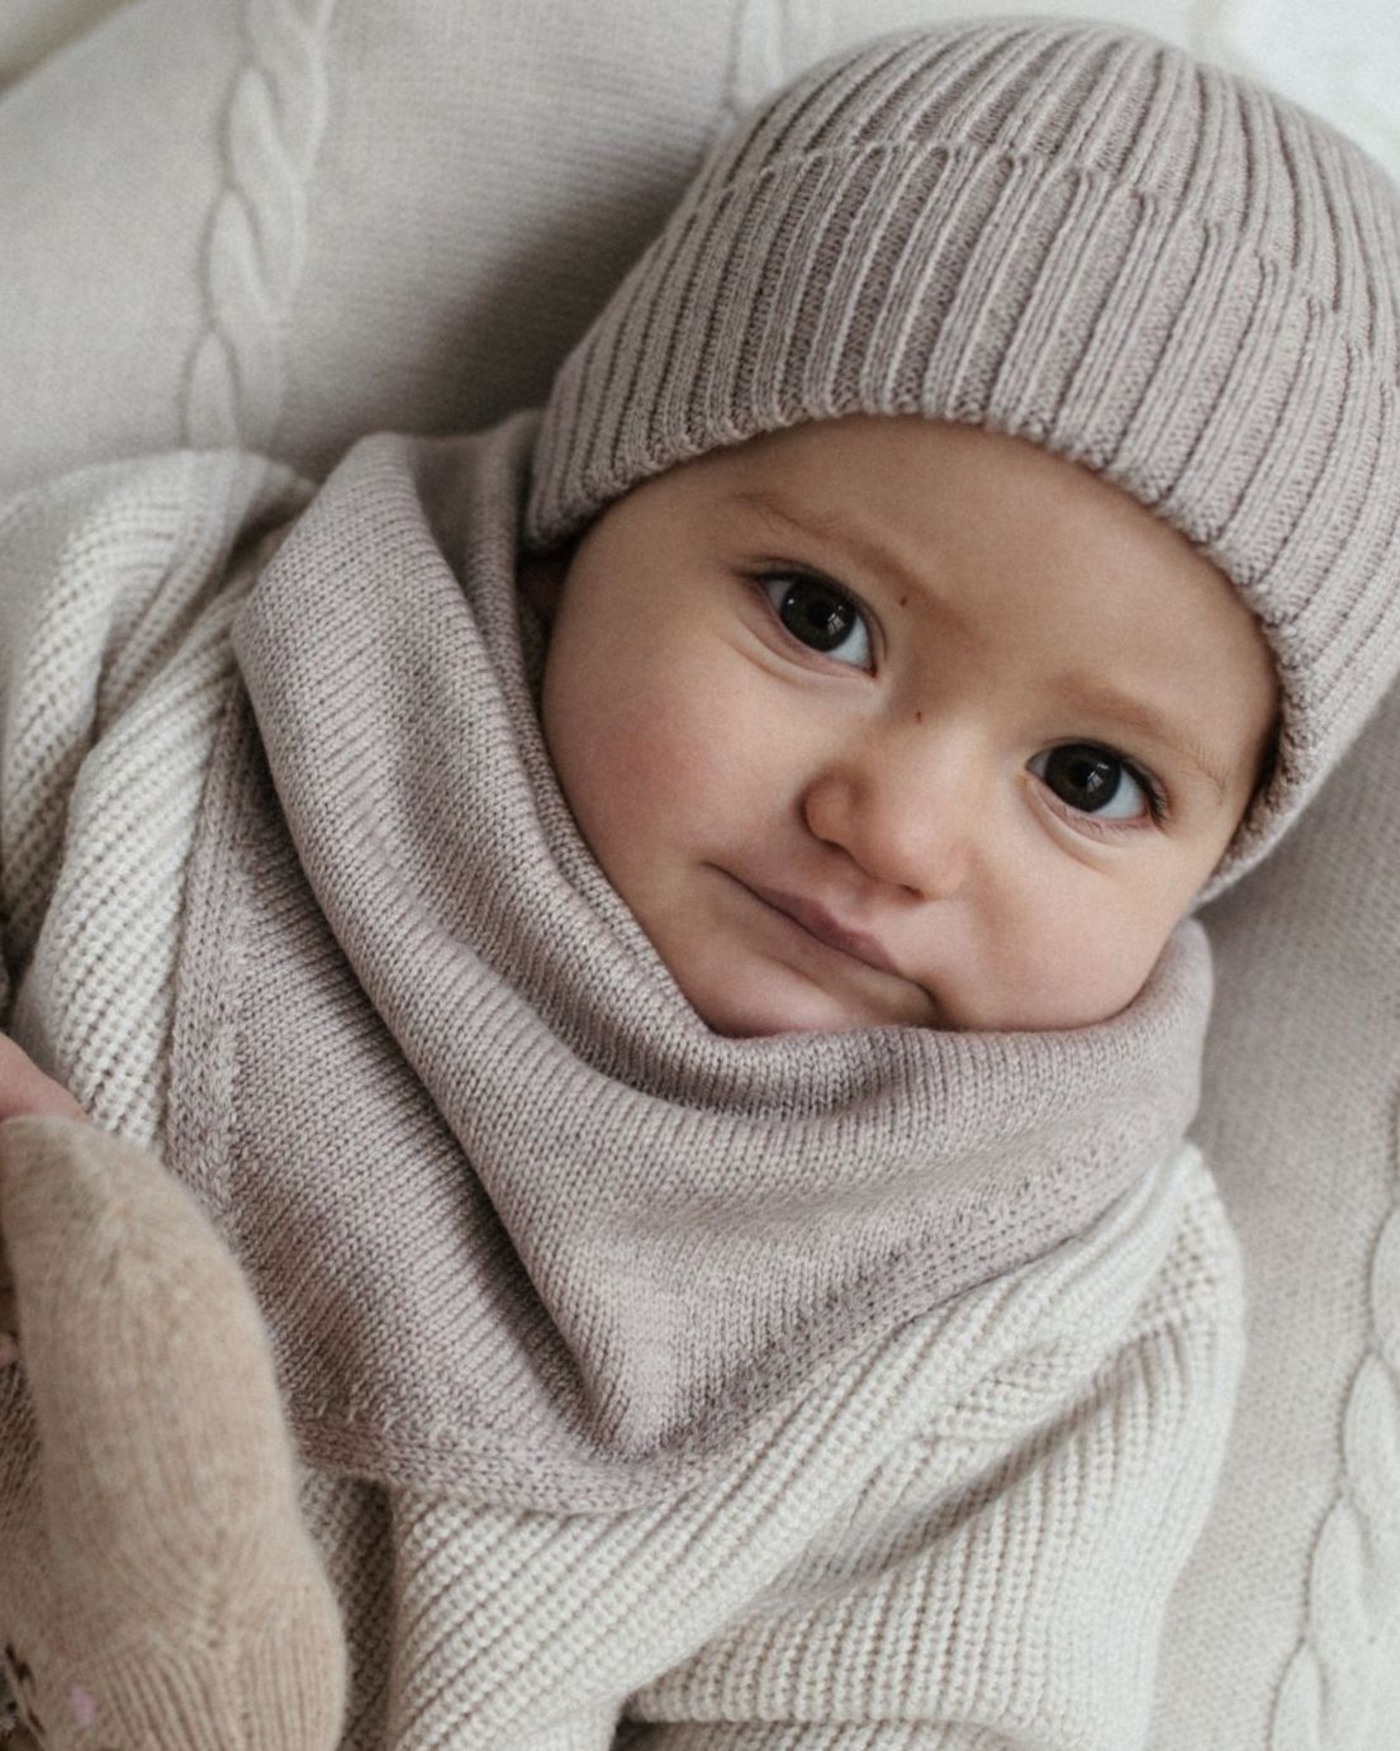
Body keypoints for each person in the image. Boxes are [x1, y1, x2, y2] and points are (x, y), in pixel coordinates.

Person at [1, 17, 1398, 1749]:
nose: (900, 832)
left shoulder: (1051, 1295)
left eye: (1090, 781)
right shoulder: (160, 644)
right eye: (820, 618)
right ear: (593, 510)